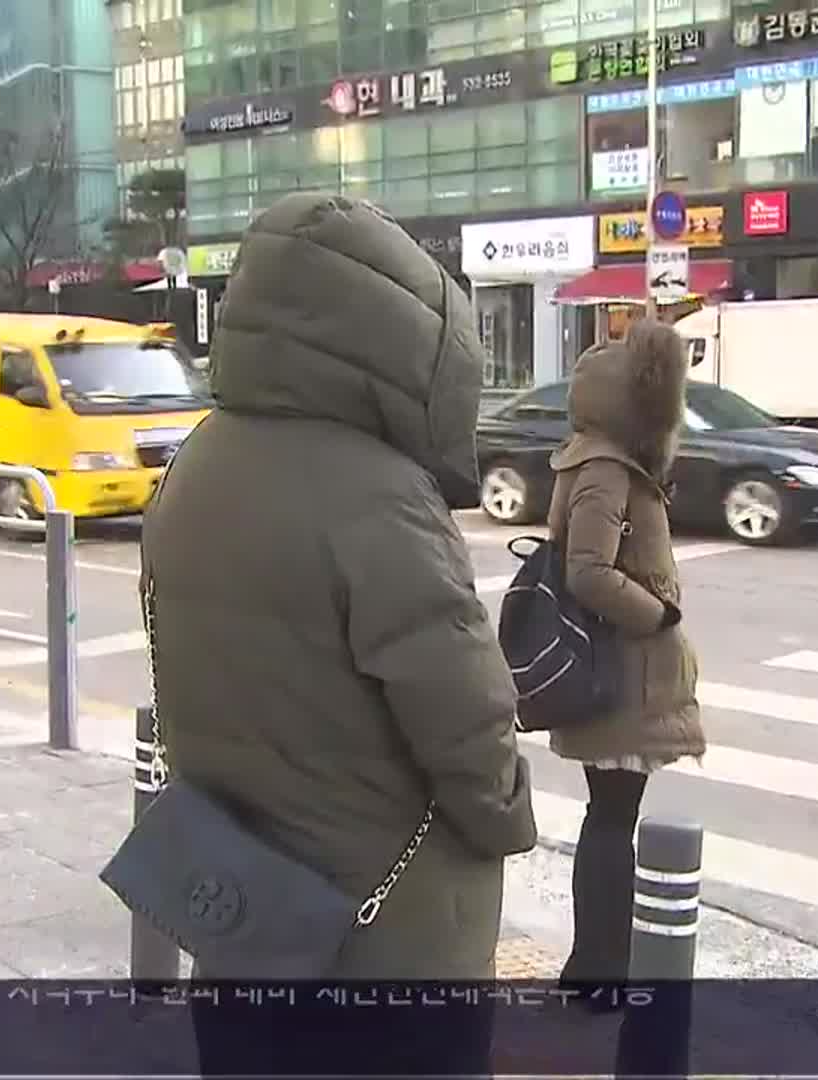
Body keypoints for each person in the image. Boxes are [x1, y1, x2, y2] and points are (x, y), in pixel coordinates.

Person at [140, 192, 537, 1069]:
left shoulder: (200, 457)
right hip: (386, 938)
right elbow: (467, 716)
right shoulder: (381, 495)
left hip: (243, 905)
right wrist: (508, 816)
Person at [546, 321, 708, 1002]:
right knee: (612, 824)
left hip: (622, 673)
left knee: (610, 821)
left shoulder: (602, 460)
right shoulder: (606, 467)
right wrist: (659, 613)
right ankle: (598, 975)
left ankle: (595, 969)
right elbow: (587, 571)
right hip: (621, 676)